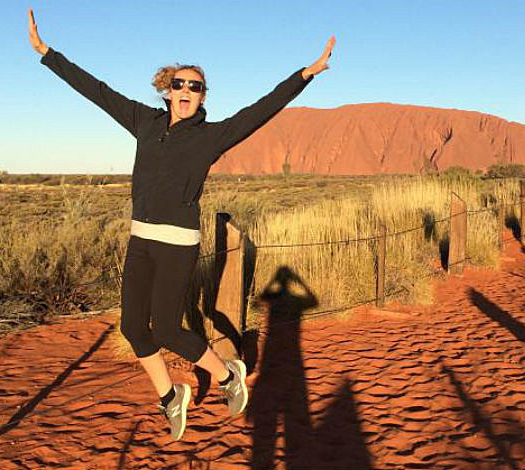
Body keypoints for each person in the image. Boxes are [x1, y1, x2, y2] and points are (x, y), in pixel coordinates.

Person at [27, 8, 335, 441]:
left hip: (177, 243)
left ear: (203, 97)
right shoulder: (143, 121)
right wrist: (46, 53)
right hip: (141, 240)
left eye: (195, 86)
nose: (186, 90)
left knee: (168, 328)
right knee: (134, 327)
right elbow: (96, 91)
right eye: (179, 84)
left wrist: (306, 74)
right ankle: (172, 395)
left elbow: (262, 110)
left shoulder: (212, 136)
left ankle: (228, 375)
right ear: (167, 91)